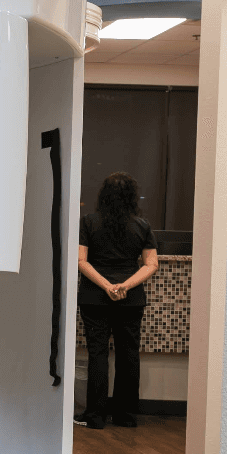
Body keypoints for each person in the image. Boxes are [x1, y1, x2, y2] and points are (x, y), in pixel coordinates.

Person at [74, 172, 159, 430]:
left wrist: (106, 286)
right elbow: (151, 264)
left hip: (94, 297)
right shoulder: (142, 226)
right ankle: (126, 415)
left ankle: (95, 416)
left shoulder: (88, 222)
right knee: (128, 354)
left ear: (103, 195)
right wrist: (125, 286)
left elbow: (81, 261)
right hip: (130, 300)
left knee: (98, 353)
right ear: (132, 197)